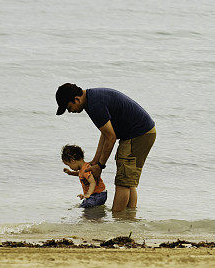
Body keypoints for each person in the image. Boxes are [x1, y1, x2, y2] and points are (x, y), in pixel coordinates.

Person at [55, 83, 156, 213]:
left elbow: (111, 137)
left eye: (69, 107)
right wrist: (96, 161)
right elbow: (105, 134)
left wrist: (100, 165)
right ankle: (129, 218)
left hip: (138, 134)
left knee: (123, 182)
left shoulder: (95, 105)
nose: (70, 111)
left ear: (76, 99)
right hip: (142, 133)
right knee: (128, 180)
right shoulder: (92, 99)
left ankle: (118, 218)